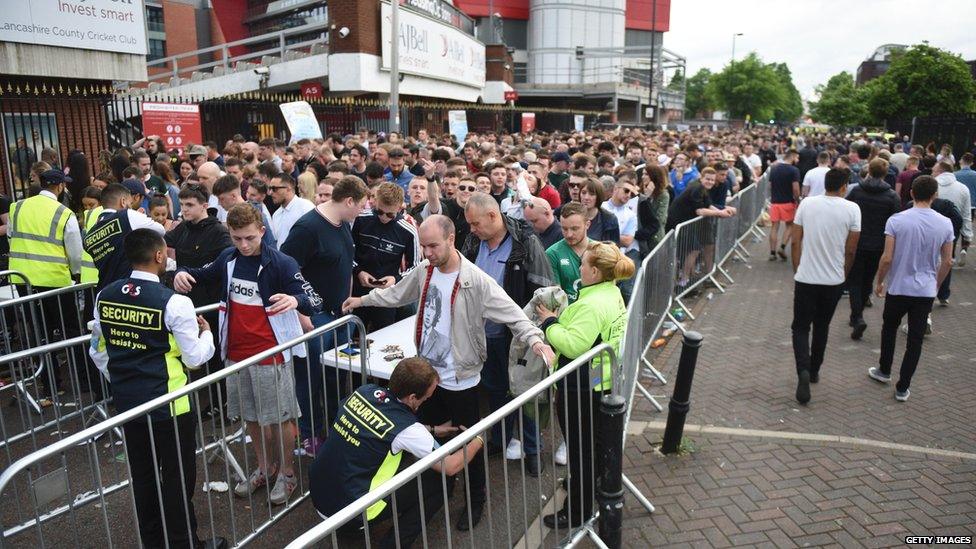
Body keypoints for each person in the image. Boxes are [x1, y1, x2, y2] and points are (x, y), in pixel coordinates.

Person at [342, 215, 555, 530]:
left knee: (469, 442)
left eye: (432, 246)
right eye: (423, 246)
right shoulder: (426, 270)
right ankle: (440, 490)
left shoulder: (476, 280)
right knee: (430, 439)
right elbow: (398, 293)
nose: (427, 253)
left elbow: (513, 313)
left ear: (451, 239)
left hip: (462, 380)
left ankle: (476, 498)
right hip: (429, 377)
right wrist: (363, 299)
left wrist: (536, 340)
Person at [174, 204, 320, 506]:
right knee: (251, 416)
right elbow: (201, 274)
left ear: (262, 232)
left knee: (279, 418)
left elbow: (314, 300)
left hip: (271, 353)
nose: (243, 245)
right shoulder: (228, 258)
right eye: (237, 238)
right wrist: (180, 273)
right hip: (236, 353)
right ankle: (265, 468)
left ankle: (288, 473)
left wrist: (295, 299)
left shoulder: (281, 262)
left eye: (250, 238)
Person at [89, 228, 225, 549]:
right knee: (177, 480)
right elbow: (194, 359)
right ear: (160, 255)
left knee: (144, 477)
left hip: (129, 403)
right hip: (171, 405)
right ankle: (183, 543)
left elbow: (98, 351)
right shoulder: (175, 303)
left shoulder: (104, 295)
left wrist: (123, 378)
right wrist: (208, 336)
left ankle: (153, 541)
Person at [309, 357, 485, 548]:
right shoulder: (409, 429)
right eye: (427, 396)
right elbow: (451, 466)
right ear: (412, 398)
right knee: (438, 482)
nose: (428, 399)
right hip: (349, 514)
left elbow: (379, 423)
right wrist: (478, 439)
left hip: (319, 495)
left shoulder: (364, 391)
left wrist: (432, 430)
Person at [534, 241, 633, 529]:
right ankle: (591, 486)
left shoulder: (591, 303)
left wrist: (550, 322)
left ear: (593, 272)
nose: (578, 267)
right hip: (597, 380)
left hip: (580, 386)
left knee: (580, 450)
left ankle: (576, 511)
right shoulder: (611, 292)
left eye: (583, 264)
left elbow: (574, 345)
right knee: (593, 444)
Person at [461, 193, 554, 477]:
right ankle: (500, 440)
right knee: (494, 389)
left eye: (475, 223)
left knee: (524, 392)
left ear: (493, 216)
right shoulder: (473, 241)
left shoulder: (525, 243)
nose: (472, 229)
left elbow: (543, 288)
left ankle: (533, 449)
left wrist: (531, 332)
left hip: (516, 336)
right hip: (483, 334)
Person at [280, 175, 368, 455]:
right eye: (361, 205)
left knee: (333, 378)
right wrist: (300, 314)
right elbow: (286, 268)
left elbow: (345, 264)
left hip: (340, 316)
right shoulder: (308, 227)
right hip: (314, 320)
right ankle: (309, 435)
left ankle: (333, 429)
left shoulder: (343, 224)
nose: (363, 211)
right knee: (310, 380)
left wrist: (349, 298)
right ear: (349, 201)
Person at [869, 176, 954, 401]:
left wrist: (879, 281)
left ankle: (884, 370)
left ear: (912, 194)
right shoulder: (945, 223)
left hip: (898, 287)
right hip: (925, 291)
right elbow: (947, 261)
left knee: (889, 328)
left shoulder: (896, 221)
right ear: (935, 195)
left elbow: (887, 258)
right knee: (915, 340)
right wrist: (935, 285)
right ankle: (903, 386)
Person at [789, 168, 861, 405]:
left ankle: (803, 370)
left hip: (806, 277)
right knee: (822, 325)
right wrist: (844, 273)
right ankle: (815, 367)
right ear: (844, 187)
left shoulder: (807, 204)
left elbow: (796, 240)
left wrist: (797, 267)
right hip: (833, 280)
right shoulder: (852, 209)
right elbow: (851, 249)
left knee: (800, 327)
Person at [8, 169, 83, 394]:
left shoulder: (17, 207)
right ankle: (84, 381)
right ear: (60, 187)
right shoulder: (64, 213)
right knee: (71, 333)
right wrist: (76, 273)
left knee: (40, 333)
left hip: (23, 280)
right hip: (55, 281)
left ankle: (51, 386)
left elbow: (12, 236)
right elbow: (75, 252)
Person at [351, 182, 420, 331]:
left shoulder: (408, 230)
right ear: (375, 202)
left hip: (386, 294)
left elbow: (415, 266)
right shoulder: (360, 219)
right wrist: (358, 271)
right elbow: (348, 253)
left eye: (390, 214)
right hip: (358, 288)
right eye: (379, 212)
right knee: (354, 337)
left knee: (381, 336)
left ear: (400, 207)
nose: (384, 217)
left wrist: (395, 279)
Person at [845, 159, 900, 339]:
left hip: (857, 240)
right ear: (885, 174)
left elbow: (847, 211)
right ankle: (858, 314)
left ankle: (857, 316)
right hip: (878, 244)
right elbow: (895, 222)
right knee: (868, 279)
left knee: (854, 280)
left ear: (869, 170)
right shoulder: (892, 196)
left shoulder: (857, 190)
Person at [83, 183, 166, 293]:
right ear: (123, 201)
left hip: (105, 290)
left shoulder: (88, 236)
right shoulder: (126, 215)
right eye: (130, 203)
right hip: (129, 289)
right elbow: (160, 230)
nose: (130, 206)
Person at [665, 168, 736, 290]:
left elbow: (708, 205)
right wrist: (720, 214)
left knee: (692, 249)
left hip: (684, 223)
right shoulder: (697, 188)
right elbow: (700, 211)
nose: (710, 182)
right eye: (707, 179)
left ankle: (686, 278)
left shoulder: (702, 188)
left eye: (712, 180)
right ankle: (684, 280)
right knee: (694, 249)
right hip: (677, 223)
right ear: (701, 178)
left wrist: (721, 211)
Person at [931, 161, 972, 304]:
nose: (932, 172)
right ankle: (943, 294)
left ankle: (928, 290)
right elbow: (966, 213)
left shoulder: (931, 184)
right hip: (952, 229)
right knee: (947, 259)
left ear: (940, 171)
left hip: (930, 226)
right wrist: (968, 234)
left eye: (934, 170)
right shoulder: (963, 188)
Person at [213, 174, 277, 249]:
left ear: (233, 196)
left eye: (221, 199)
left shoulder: (256, 215)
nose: (219, 203)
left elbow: (270, 246)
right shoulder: (232, 215)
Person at [768, 150, 801, 261]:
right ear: (792, 156)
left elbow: (770, 185)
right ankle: (782, 247)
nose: (798, 160)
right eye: (797, 158)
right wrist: (798, 200)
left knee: (774, 227)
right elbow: (795, 188)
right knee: (789, 226)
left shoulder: (774, 168)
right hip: (788, 202)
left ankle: (772, 253)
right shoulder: (794, 170)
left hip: (775, 202)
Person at [270, 173, 315, 248]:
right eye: (270, 188)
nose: (270, 192)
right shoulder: (276, 215)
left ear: (288, 188)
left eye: (275, 189)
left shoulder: (306, 207)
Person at [635, 165, 669, 257]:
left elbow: (659, 218)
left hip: (655, 237)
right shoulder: (639, 192)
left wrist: (648, 199)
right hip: (640, 234)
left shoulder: (663, 195)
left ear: (654, 176)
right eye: (642, 174)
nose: (642, 177)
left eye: (646, 174)